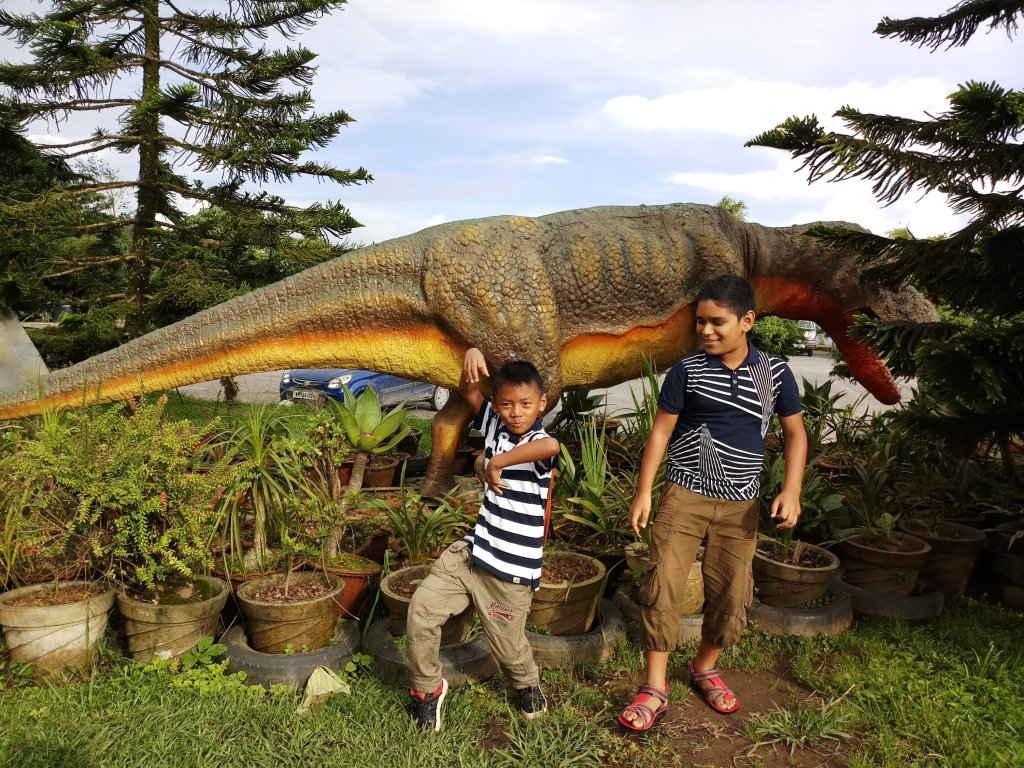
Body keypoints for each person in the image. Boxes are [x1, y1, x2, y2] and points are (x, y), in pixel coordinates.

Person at [618, 274, 807, 731]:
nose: (706, 331)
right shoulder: (687, 371)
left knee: (731, 592)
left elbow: (795, 434)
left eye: (717, 322)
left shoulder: (776, 374)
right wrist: (645, 492)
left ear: (747, 321)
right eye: (700, 322)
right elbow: (661, 430)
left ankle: (704, 667)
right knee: (662, 583)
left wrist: (792, 489)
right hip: (684, 496)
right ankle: (655, 687)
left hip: (741, 505)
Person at [405, 348, 560, 731]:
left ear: (541, 404)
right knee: (421, 611)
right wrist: (471, 354)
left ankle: (526, 684)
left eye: (526, 404)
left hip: (509, 572)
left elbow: (552, 447)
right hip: (473, 552)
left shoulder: (538, 442)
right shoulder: (493, 424)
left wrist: (497, 462)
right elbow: (469, 392)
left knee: (509, 647)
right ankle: (427, 690)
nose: (516, 412)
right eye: (506, 404)